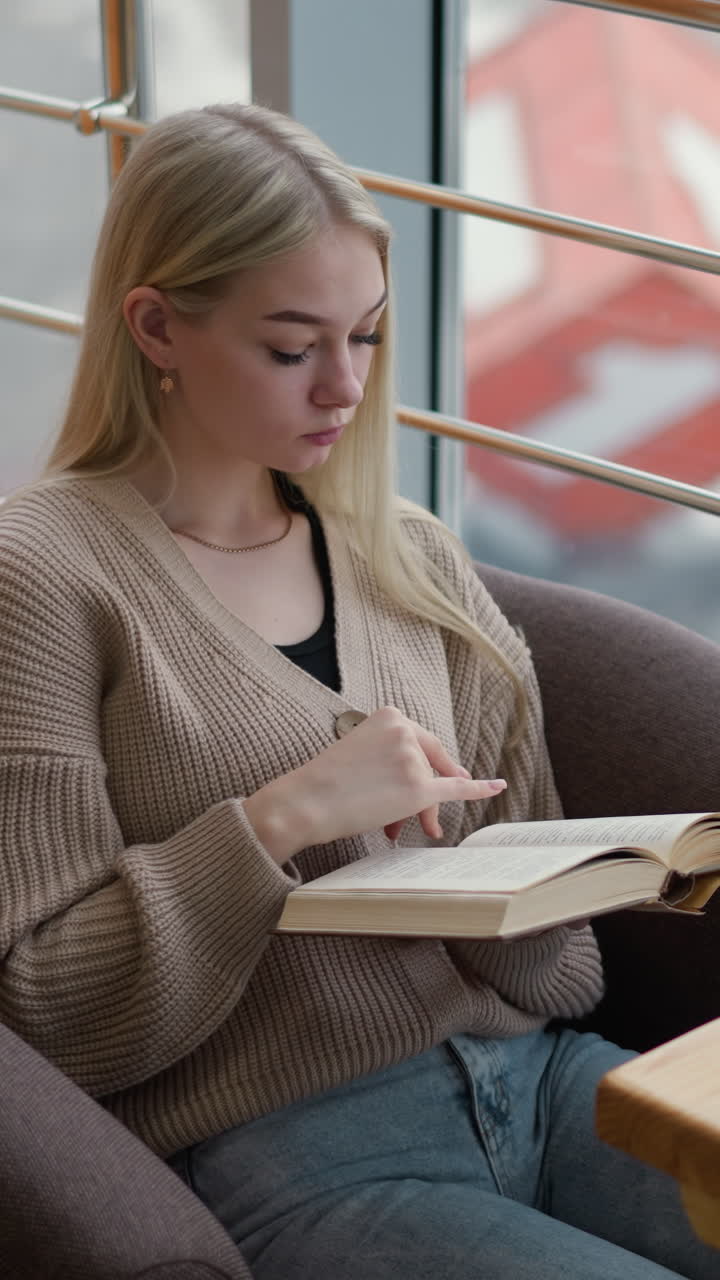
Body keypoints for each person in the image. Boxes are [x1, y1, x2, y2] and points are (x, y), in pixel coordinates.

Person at [0, 103, 715, 1280]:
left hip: (537, 1074)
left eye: (367, 337)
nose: (344, 386)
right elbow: (40, 1015)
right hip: (302, 1153)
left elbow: (569, 970)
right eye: (292, 348)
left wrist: (510, 888)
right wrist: (277, 821)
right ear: (157, 326)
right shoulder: (45, 580)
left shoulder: (411, 558)